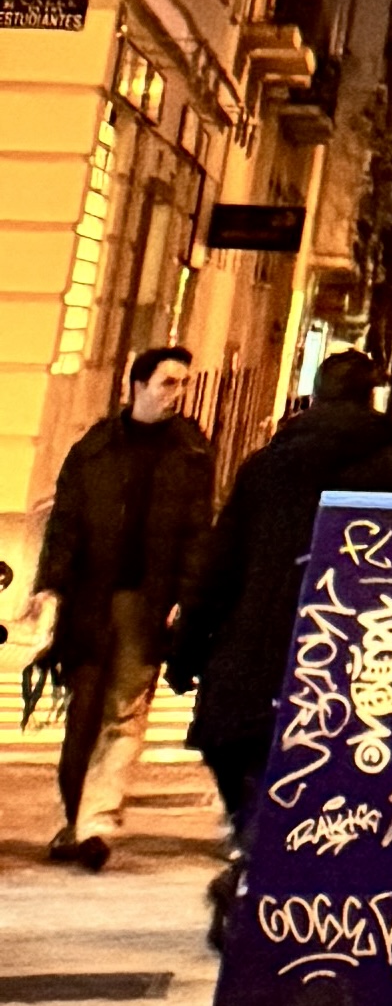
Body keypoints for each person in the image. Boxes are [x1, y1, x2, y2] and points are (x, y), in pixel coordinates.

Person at [168, 348, 392, 882]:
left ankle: (256, 863)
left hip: (257, 655)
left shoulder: (268, 465)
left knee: (248, 762)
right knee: (332, 781)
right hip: (360, 659)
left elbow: (221, 564)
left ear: (316, 396)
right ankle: (287, 879)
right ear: (369, 397)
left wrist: (186, 648)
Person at [28, 345, 217, 869]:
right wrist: (50, 587)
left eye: (182, 384)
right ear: (136, 386)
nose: (176, 394)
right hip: (89, 603)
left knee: (125, 713)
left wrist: (185, 598)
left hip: (146, 603)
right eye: (167, 383)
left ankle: (97, 823)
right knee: (82, 714)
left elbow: (197, 533)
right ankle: (76, 819)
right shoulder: (95, 448)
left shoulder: (191, 454)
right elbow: (66, 522)